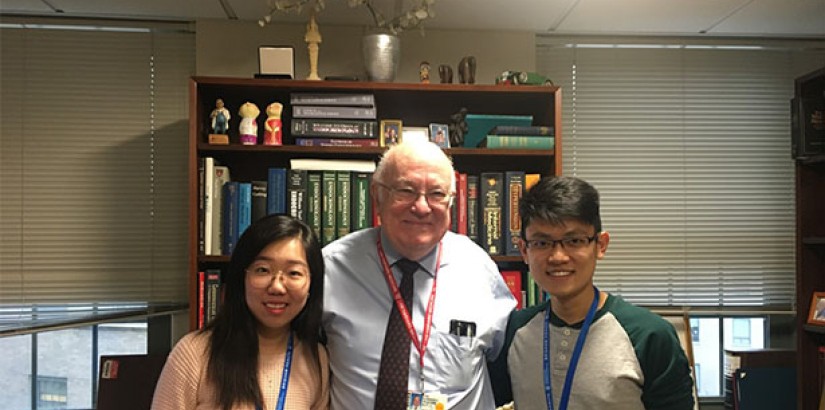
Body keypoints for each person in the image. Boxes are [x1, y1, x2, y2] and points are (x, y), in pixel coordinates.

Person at [322, 139, 516, 409]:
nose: (422, 207)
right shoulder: (331, 267)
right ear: (377, 195)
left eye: (436, 194)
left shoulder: (478, 268)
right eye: (406, 190)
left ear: (451, 202)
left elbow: (505, 363)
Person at [489, 176, 695, 409]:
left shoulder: (649, 336)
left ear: (600, 245)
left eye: (574, 240)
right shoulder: (514, 330)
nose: (558, 257)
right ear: (524, 250)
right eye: (542, 243)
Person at [152, 214, 329, 410]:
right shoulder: (194, 354)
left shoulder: (315, 358)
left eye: (294, 273)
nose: (277, 287)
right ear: (241, 277)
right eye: (263, 270)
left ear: (312, 283)